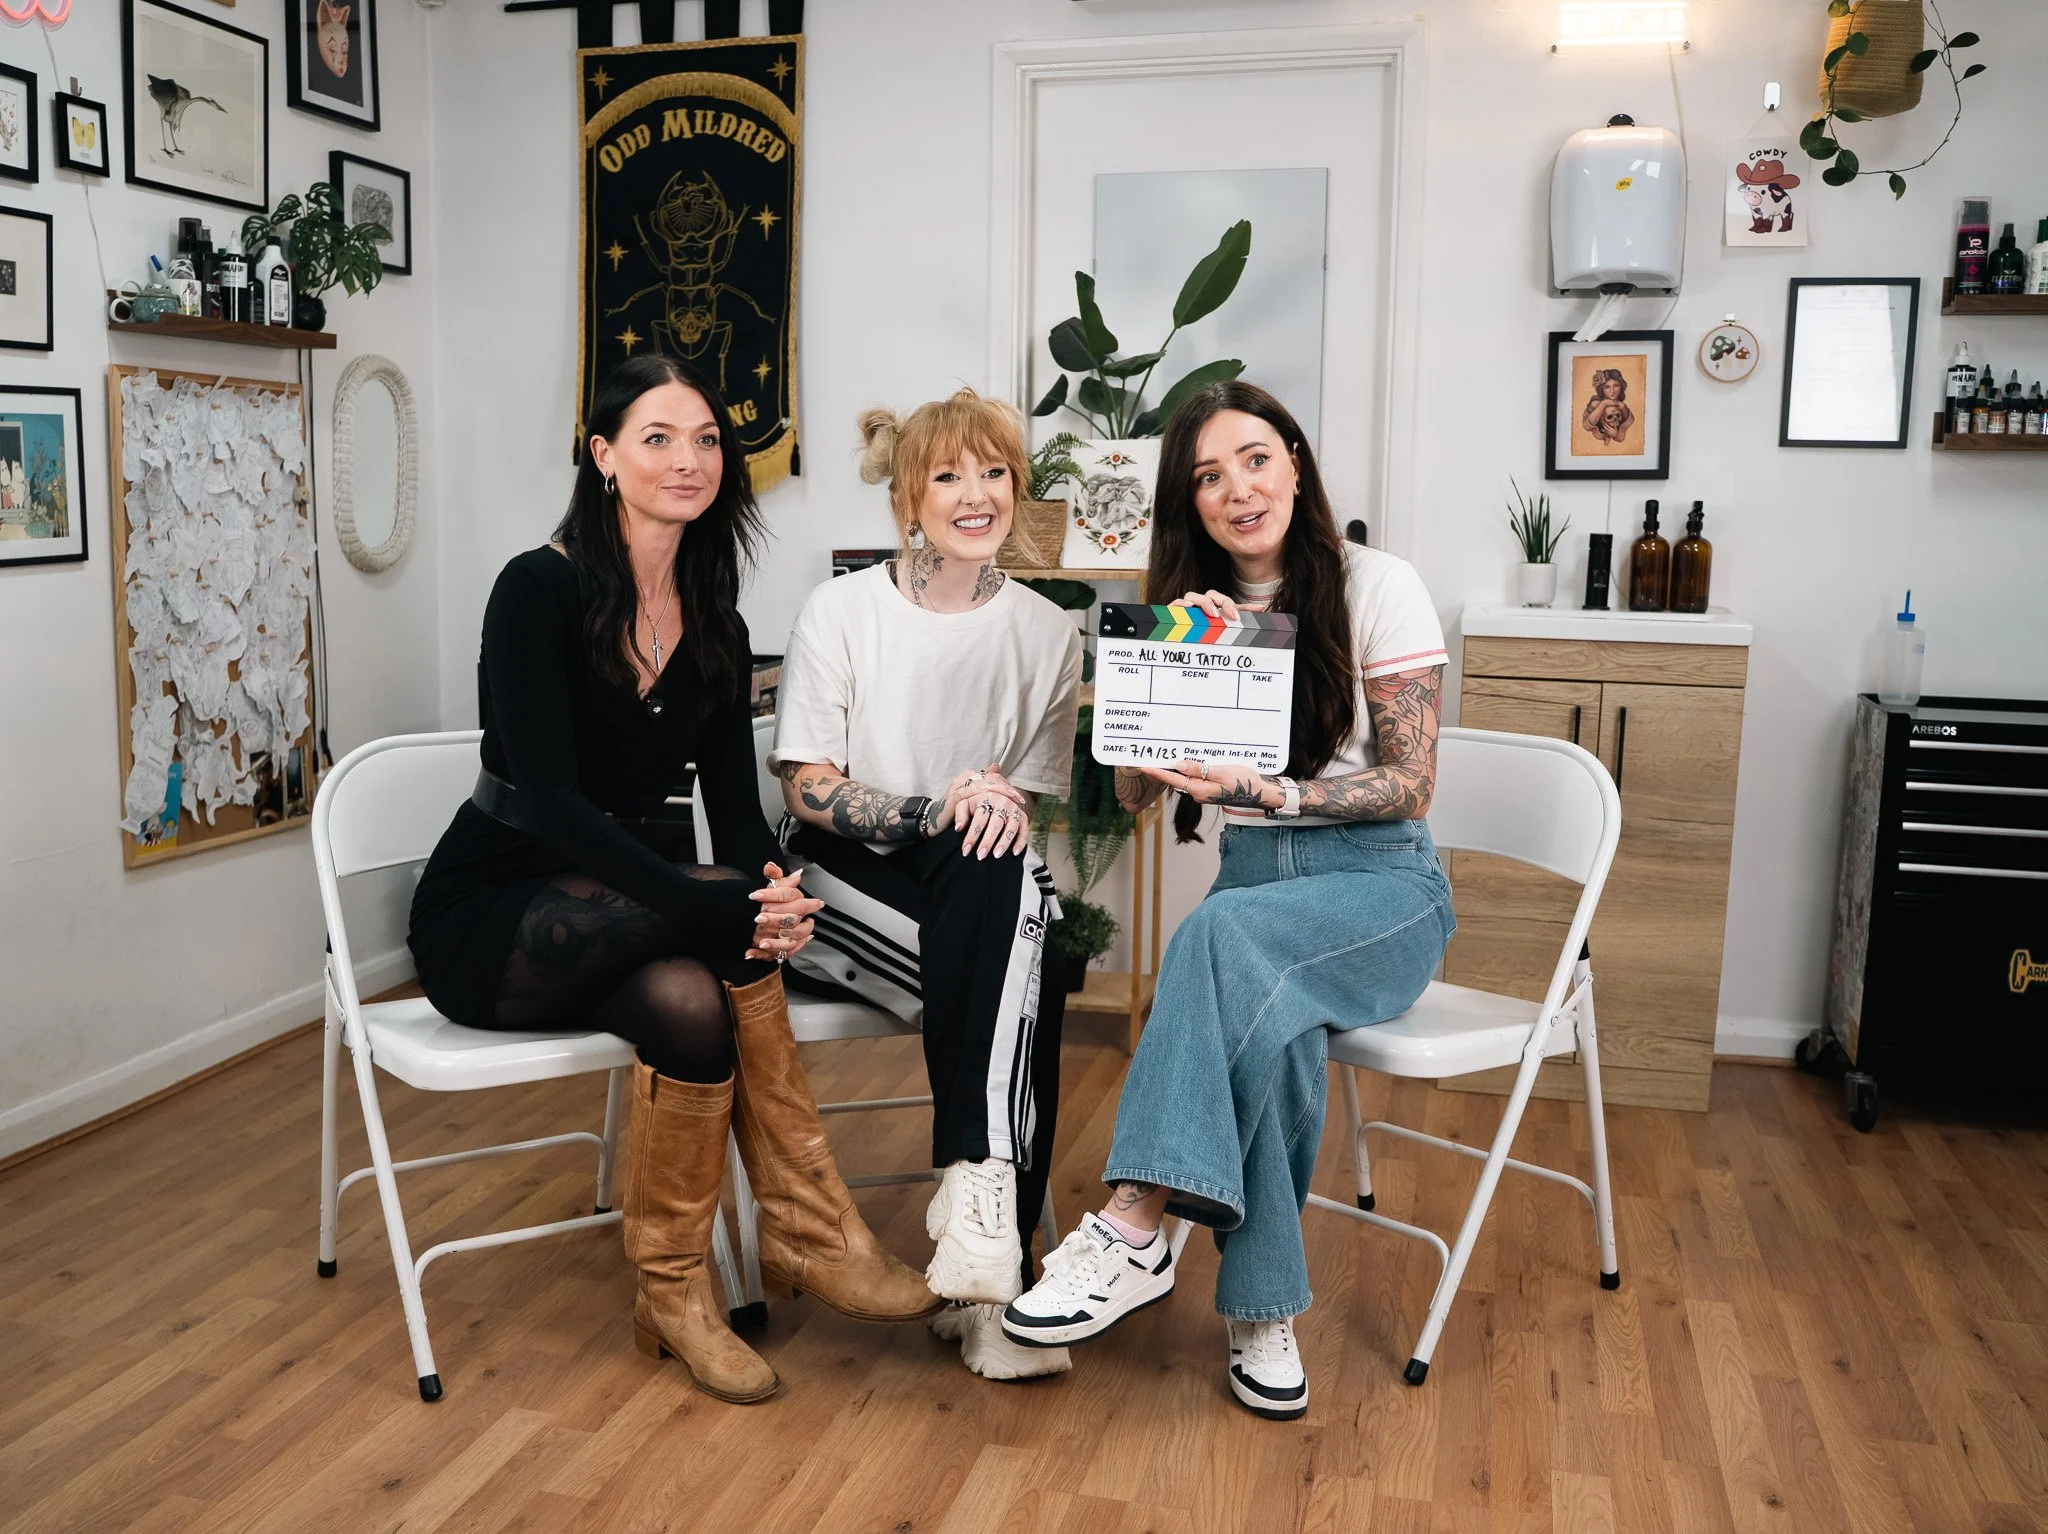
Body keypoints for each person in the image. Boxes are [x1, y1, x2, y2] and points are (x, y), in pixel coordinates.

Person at [407, 354, 938, 1407]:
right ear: (603, 456)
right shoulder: (536, 588)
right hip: (498, 913)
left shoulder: (716, 612)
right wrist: (707, 899)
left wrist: (772, 890)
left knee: (694, 1003)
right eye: (657, 437)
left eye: (705, 438)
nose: (688, 459)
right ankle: (809, 1228)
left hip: (636, 912)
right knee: (713, 926)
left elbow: (736, 814)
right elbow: (551, 800)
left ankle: (674, 1293)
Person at [1002, 380, 1454, 1421]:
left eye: (1253, 459)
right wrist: (1148, 688)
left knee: (1215, 936)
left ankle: (1133, 1220)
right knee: (1268, 1017)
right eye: (1206, 476)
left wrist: (1276, 790)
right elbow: (1126, 794)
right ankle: (1261, 1308)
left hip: (1381, 884)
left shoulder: (1377, 584)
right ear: (1188, 504)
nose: (1236, 489)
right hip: (1257, 896)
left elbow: (1412, 781)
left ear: (1293, 460)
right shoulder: (1186, 609)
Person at [770, 388, 1084, 1381]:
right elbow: (808, 787)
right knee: (1025, 953)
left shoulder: (1047, 636)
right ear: (910, 496)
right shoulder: (842, 608)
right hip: (839, 880)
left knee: (1003, 891)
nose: (974, 493)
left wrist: (986, 807)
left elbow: (1022, 803)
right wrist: (926, 810)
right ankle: (1000, 1277)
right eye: (948, 474)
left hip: (972, 886)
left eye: (993, 471)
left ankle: (978, 1235)